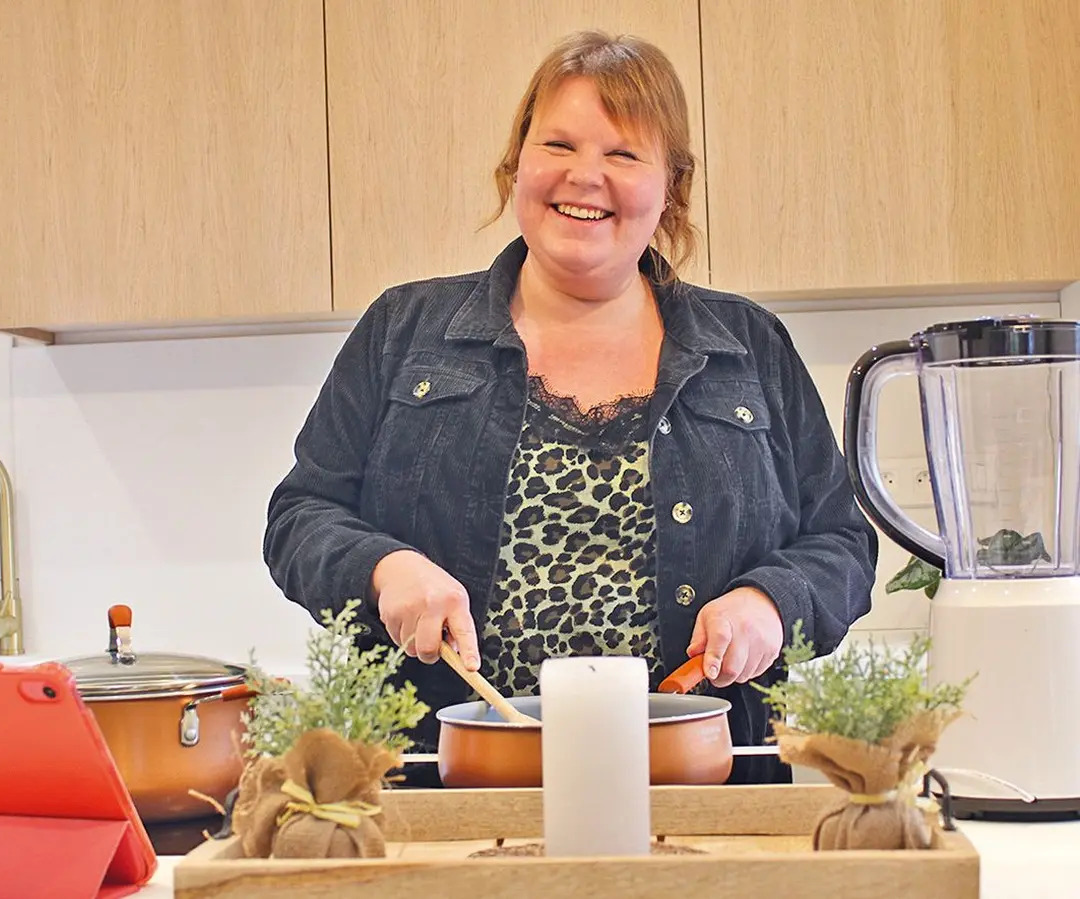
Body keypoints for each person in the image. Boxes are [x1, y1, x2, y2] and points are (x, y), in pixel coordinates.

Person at [263, 30, 878, 784]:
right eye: (558, 144)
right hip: (447, 780)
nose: (586, 177)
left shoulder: (748, 344)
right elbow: (301, 516)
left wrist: (770, 602)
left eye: (623, 155)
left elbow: (843, 545)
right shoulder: (404, 329)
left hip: (692, 781)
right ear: (517, 163)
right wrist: (385, 568)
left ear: (671, 186)